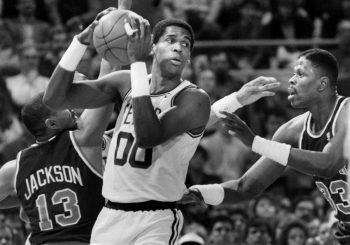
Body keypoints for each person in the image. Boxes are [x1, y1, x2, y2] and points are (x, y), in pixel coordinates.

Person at [43, 7, 280, 243]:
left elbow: (147, 135)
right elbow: (54, 98)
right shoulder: (124, 84)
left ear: (188, 58)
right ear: (153, 47)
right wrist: (81, 41)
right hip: (110, 216)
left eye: (186, 44)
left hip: (155, 218)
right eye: (171, 40)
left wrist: (136, 63)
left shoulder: (193, 98)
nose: (179, 46)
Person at [184, 48, 350, 244]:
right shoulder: (291, 131)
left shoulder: (346, 113)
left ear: (322, 84)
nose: (291, 79)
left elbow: (328, 165)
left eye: (300, 74)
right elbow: (245, 187)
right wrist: (195, 193)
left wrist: (256, 143)